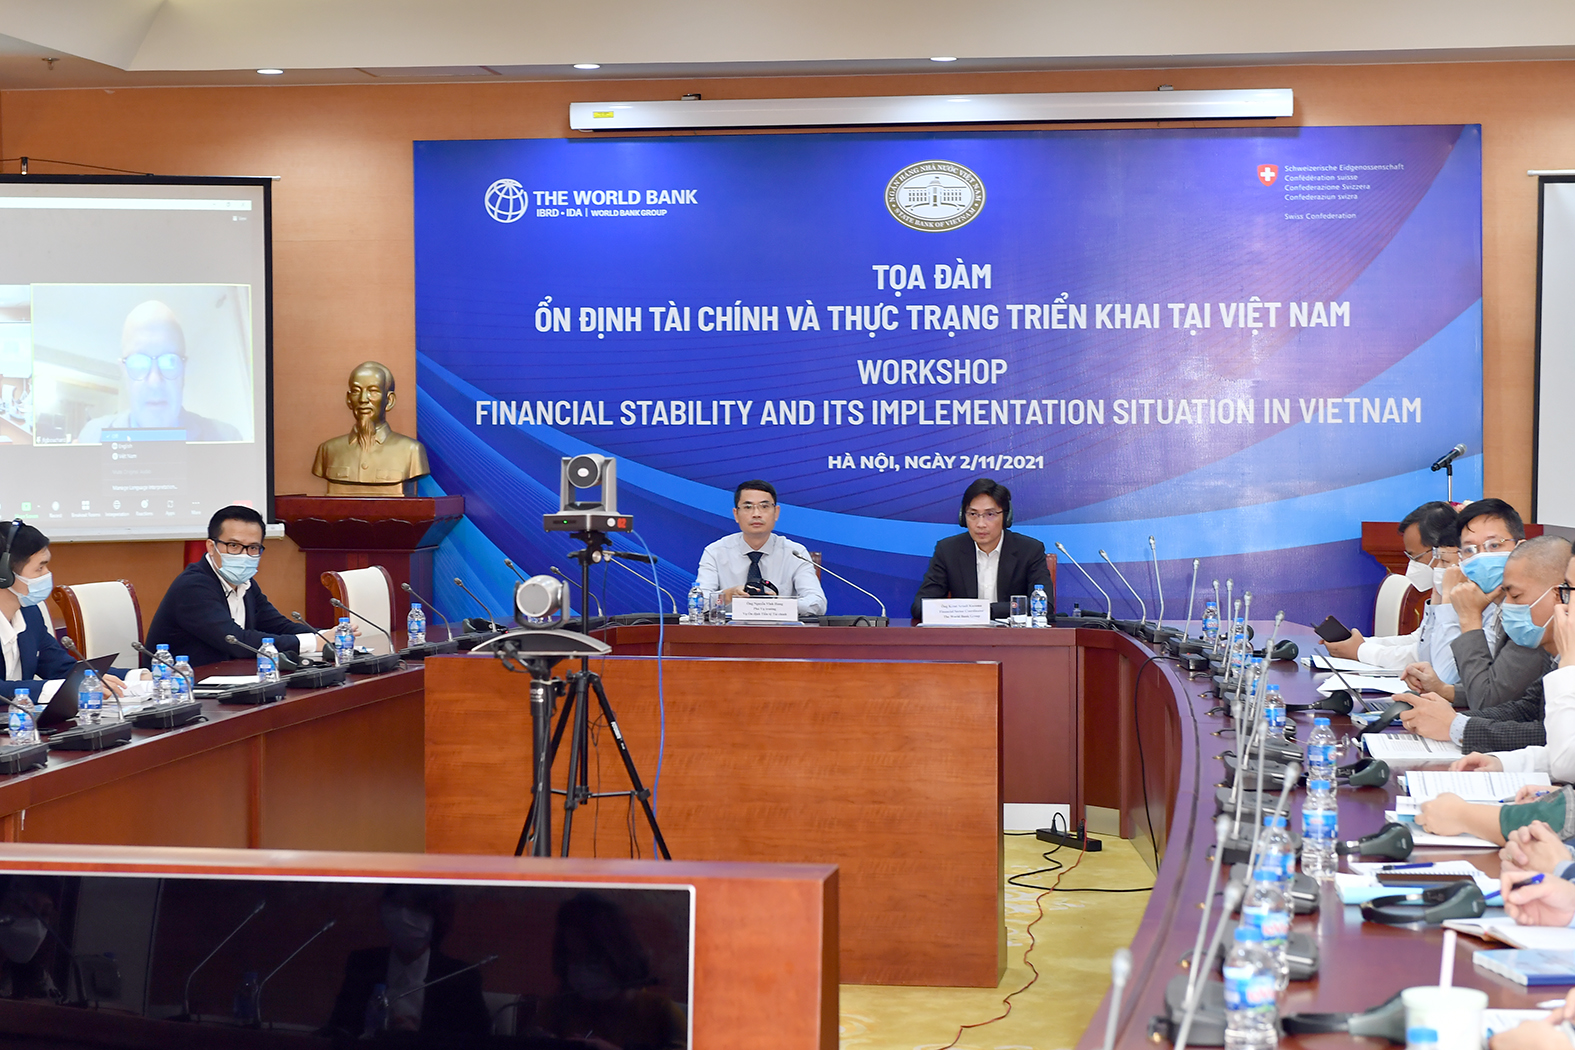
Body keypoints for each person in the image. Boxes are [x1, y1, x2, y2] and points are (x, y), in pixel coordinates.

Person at [1399, 536, 1571, 755]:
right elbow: (1528, 708)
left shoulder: (1551, 643)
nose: (1508, 606)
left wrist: (1457, 727)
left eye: (1515, 596)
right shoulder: (1552, 648)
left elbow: (1552, 736)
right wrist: (1447, 719)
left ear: (1559, 595)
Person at [145, 505, 331, 667]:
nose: (244, 555)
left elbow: (278, 626)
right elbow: (235, 641)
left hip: (229, 678)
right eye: (234, 545)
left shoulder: (245, 584)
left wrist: (326, 636)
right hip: (180, 685)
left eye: (253, 548)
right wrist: (312, 642)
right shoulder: (193, 586)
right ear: (211, 547)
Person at [1406, 498, 1533, 708]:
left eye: (1494, 545)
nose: (1481, 557)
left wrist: (1467, 616)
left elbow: (1484, 696)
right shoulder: (1488, 601)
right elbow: (1495, 688)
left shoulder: (1531, 613)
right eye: (1469, 550)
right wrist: (1444, 690)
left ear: (1521, 549)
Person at [327, 884, 491, 1037]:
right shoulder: (363, 963)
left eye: (416, 908)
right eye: (396, 904)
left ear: (438, 918)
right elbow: (338, 1029)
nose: (403, 915)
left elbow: (477, 1042)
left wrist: (416, 1040)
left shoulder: (460, 977)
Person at [0, 521, 134, 703]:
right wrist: (60, 688)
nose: (47, 574)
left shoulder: (30, 615)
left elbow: (61, 668)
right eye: (40, 568)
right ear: (4, 575)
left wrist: (134, 678)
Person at [533, 892, 686, 1050]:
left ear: (618, 953)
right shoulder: (556, 1009)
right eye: (573, 957)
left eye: (592, 958)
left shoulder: (662, 1014)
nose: (582, 968)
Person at [77, 300, 242, 443]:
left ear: (183, 370)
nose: (155, 382)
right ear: (124, 371)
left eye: (170, 361)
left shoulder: (227, 441)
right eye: (139, 362)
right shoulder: (92, 436)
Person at [1324, 501, 1458, 667]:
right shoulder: (1441, 589)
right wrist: (1361, 644)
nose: (1411, 566)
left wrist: (1360, 651)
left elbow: (1425, 655)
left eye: (1415, 557)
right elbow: (1421, 639)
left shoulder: (1467, 593)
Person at [911, 478, 1054, 623]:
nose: (980, 524)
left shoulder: (1029, 550)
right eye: (973, 514)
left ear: (1006, 517)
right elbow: (920, 606)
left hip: (1012, 635)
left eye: (990, 514)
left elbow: (1044, 606)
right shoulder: (948, 550)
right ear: (963, 517)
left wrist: (985, 611)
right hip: (965, 635)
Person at [694, 481, 826, 618]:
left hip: (780, 629)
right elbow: (698, 603)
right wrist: (728, 595)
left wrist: (781, 604)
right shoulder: (715, 552)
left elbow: (817, 603)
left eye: (764, 506)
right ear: (736, 514)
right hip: (730, 630)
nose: (756, 514)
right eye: (748, 507)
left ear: (776, 513)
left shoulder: (795, 553)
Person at [311, 361, 431, 496]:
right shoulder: (328, 450)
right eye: (356, 391)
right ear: (349, 399)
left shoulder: (412, 451)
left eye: (373, 391)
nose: (363, 399)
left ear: (389, 401)